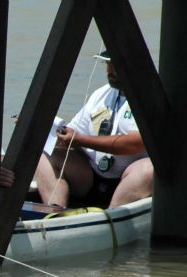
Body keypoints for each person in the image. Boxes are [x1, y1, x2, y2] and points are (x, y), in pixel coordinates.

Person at [34, 50, 153, 209]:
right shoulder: (101, 94)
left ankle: (112, 218)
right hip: (91, 177)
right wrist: (42, 127)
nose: (110, 71)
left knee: (149, 169)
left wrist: (81, 140)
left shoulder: (149, 97)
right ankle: (54, 213)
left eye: (115, 65)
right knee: (46, 153)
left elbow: (134, 144)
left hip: (128, 181)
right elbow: (73, 133)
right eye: (108, 64)